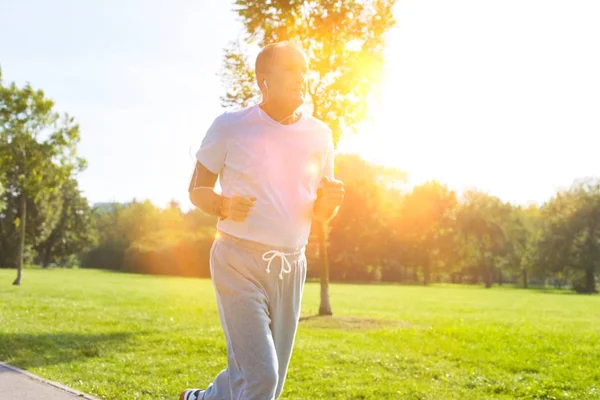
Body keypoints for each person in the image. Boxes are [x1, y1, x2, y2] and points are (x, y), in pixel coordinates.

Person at [181, 41, 344, 400]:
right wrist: (223, 205)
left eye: (304, 70)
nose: (301, 78)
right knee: (263, 378)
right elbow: (197, 189)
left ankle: (202, 399)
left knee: (261, 373)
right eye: (290, 69)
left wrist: (328, 205)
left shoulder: (320, 135)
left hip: (290, 265)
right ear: (263, 79)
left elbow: (318, 211)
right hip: (237, 259)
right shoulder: (231, 126)